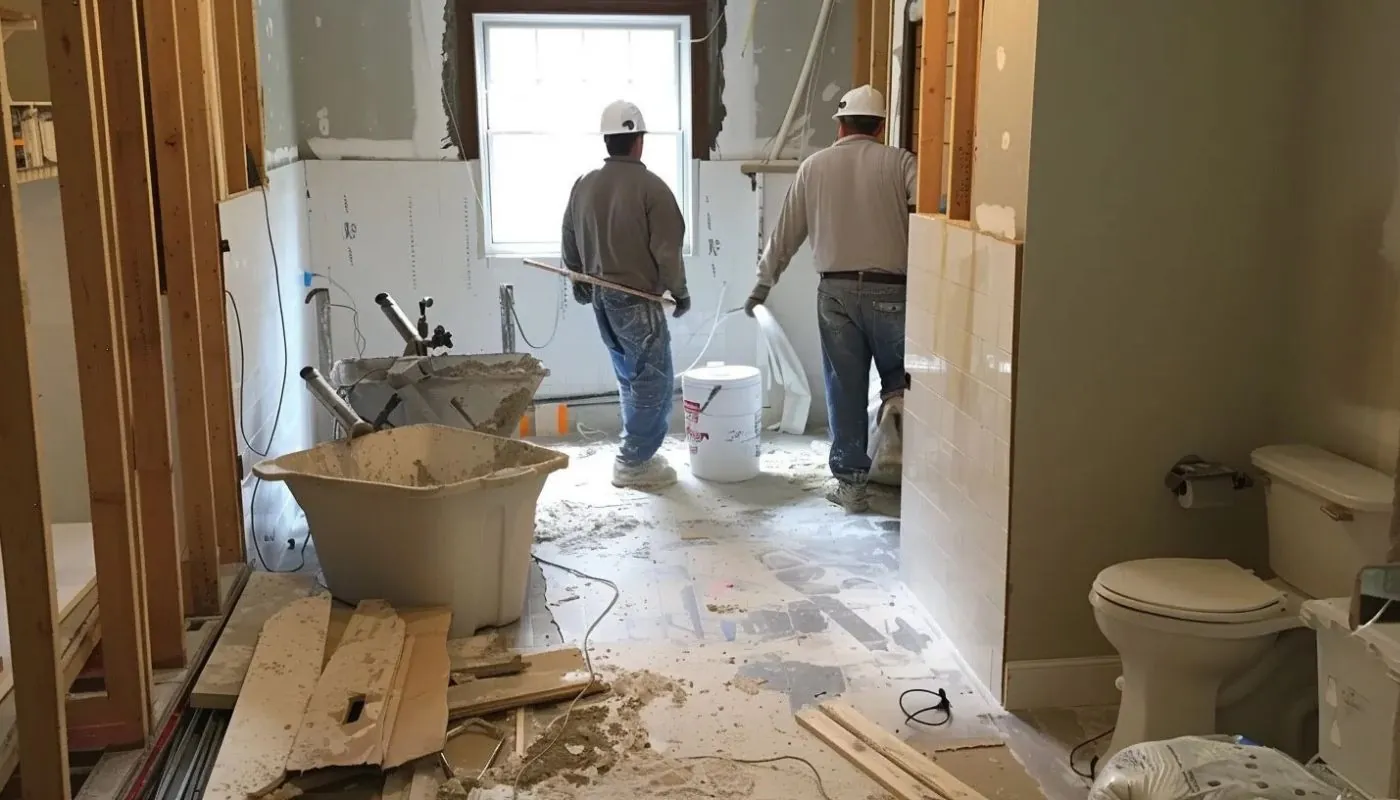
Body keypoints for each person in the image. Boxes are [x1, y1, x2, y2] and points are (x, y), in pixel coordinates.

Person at [745, 85, 917, 512]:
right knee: (906, 384)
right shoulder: (902, 163)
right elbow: (934, 215)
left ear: (840, 124)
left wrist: (762, 285)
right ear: (880, 125)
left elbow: (784, 234)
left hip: (835, 293)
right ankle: (917, 480)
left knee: (846, 388)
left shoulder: (813, 167)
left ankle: (852, 486)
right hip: (894, 293)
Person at [562, 99, 692, 490]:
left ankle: (635, 453)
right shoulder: (651, 188)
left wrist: (580, 281)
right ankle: (634, 461)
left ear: (608, 140)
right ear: (638, 140)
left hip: (603, 298)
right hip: (637, 300)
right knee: (652, 381)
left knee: (629, 378)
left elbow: (569, 239)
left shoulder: (584, 183)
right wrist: (680, 292)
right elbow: (667, 251)